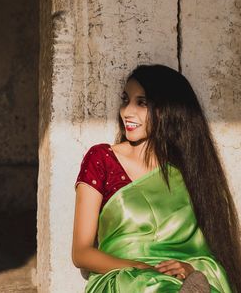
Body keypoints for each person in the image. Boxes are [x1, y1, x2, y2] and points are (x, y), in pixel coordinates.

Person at [71, 64, 241, 292]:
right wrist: (140, 268)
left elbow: (205, 251)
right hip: (124, 279)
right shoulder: (102, 159)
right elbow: (81, 253)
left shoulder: (187, 170)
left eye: (142, 103)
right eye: (126, 99)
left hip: (179, 281)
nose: (127, 112)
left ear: (169, 109)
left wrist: (189, 269)